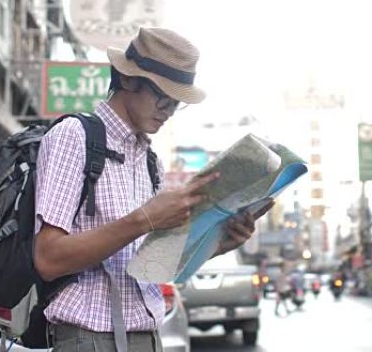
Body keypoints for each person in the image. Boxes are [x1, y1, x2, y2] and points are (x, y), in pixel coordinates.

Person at [33, 28, 274, 352]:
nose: (168, 109)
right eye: (163, 96)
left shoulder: (149, 162)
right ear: (129, 80)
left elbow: (155, 266)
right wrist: (144, 219)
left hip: (147, 336)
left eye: (177, 103)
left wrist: (220, 242)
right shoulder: (73, 137)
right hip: (89, 339)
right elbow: (48, 259)